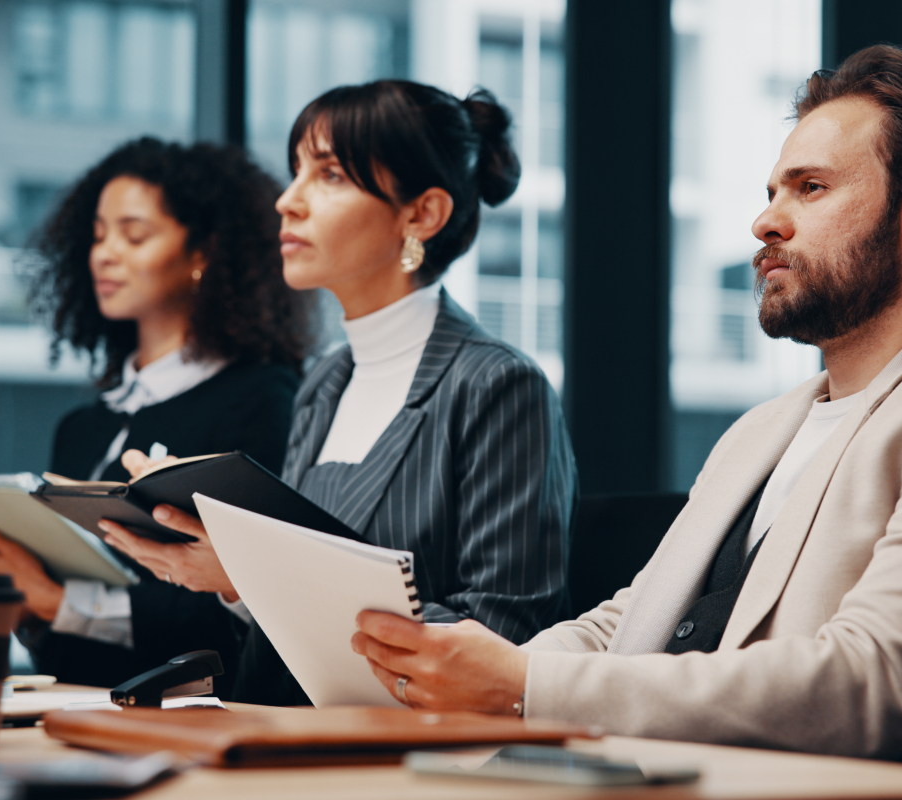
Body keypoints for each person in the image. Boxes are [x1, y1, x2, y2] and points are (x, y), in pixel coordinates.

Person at [349, 46, 902, 774]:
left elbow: (874, 684)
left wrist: (525, 687)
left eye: (811, 188)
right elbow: (627, 625)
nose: (766, 222)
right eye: (772, 193)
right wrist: (468, 677)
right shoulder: (762, 429)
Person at [101, 80, 578, 706]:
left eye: (327, 175)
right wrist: (237, 583)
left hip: (413, 759)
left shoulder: (496, 385)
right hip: (284, 734)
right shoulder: (324, 382)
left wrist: (257, 576)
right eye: (297, 171)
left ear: (421, 215)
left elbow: (507, 642)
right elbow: (282, 648)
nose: (287, 202)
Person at [0, 137, 314, 694]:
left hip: (187, 724)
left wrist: (57, 601)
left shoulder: (265, 403)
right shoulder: (84, 426)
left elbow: (236, 612)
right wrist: (22, 600)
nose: (103, 252)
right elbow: (61, 633)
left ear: (203, 252)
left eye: (134, 234)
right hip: (66, 716)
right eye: (98, 234)